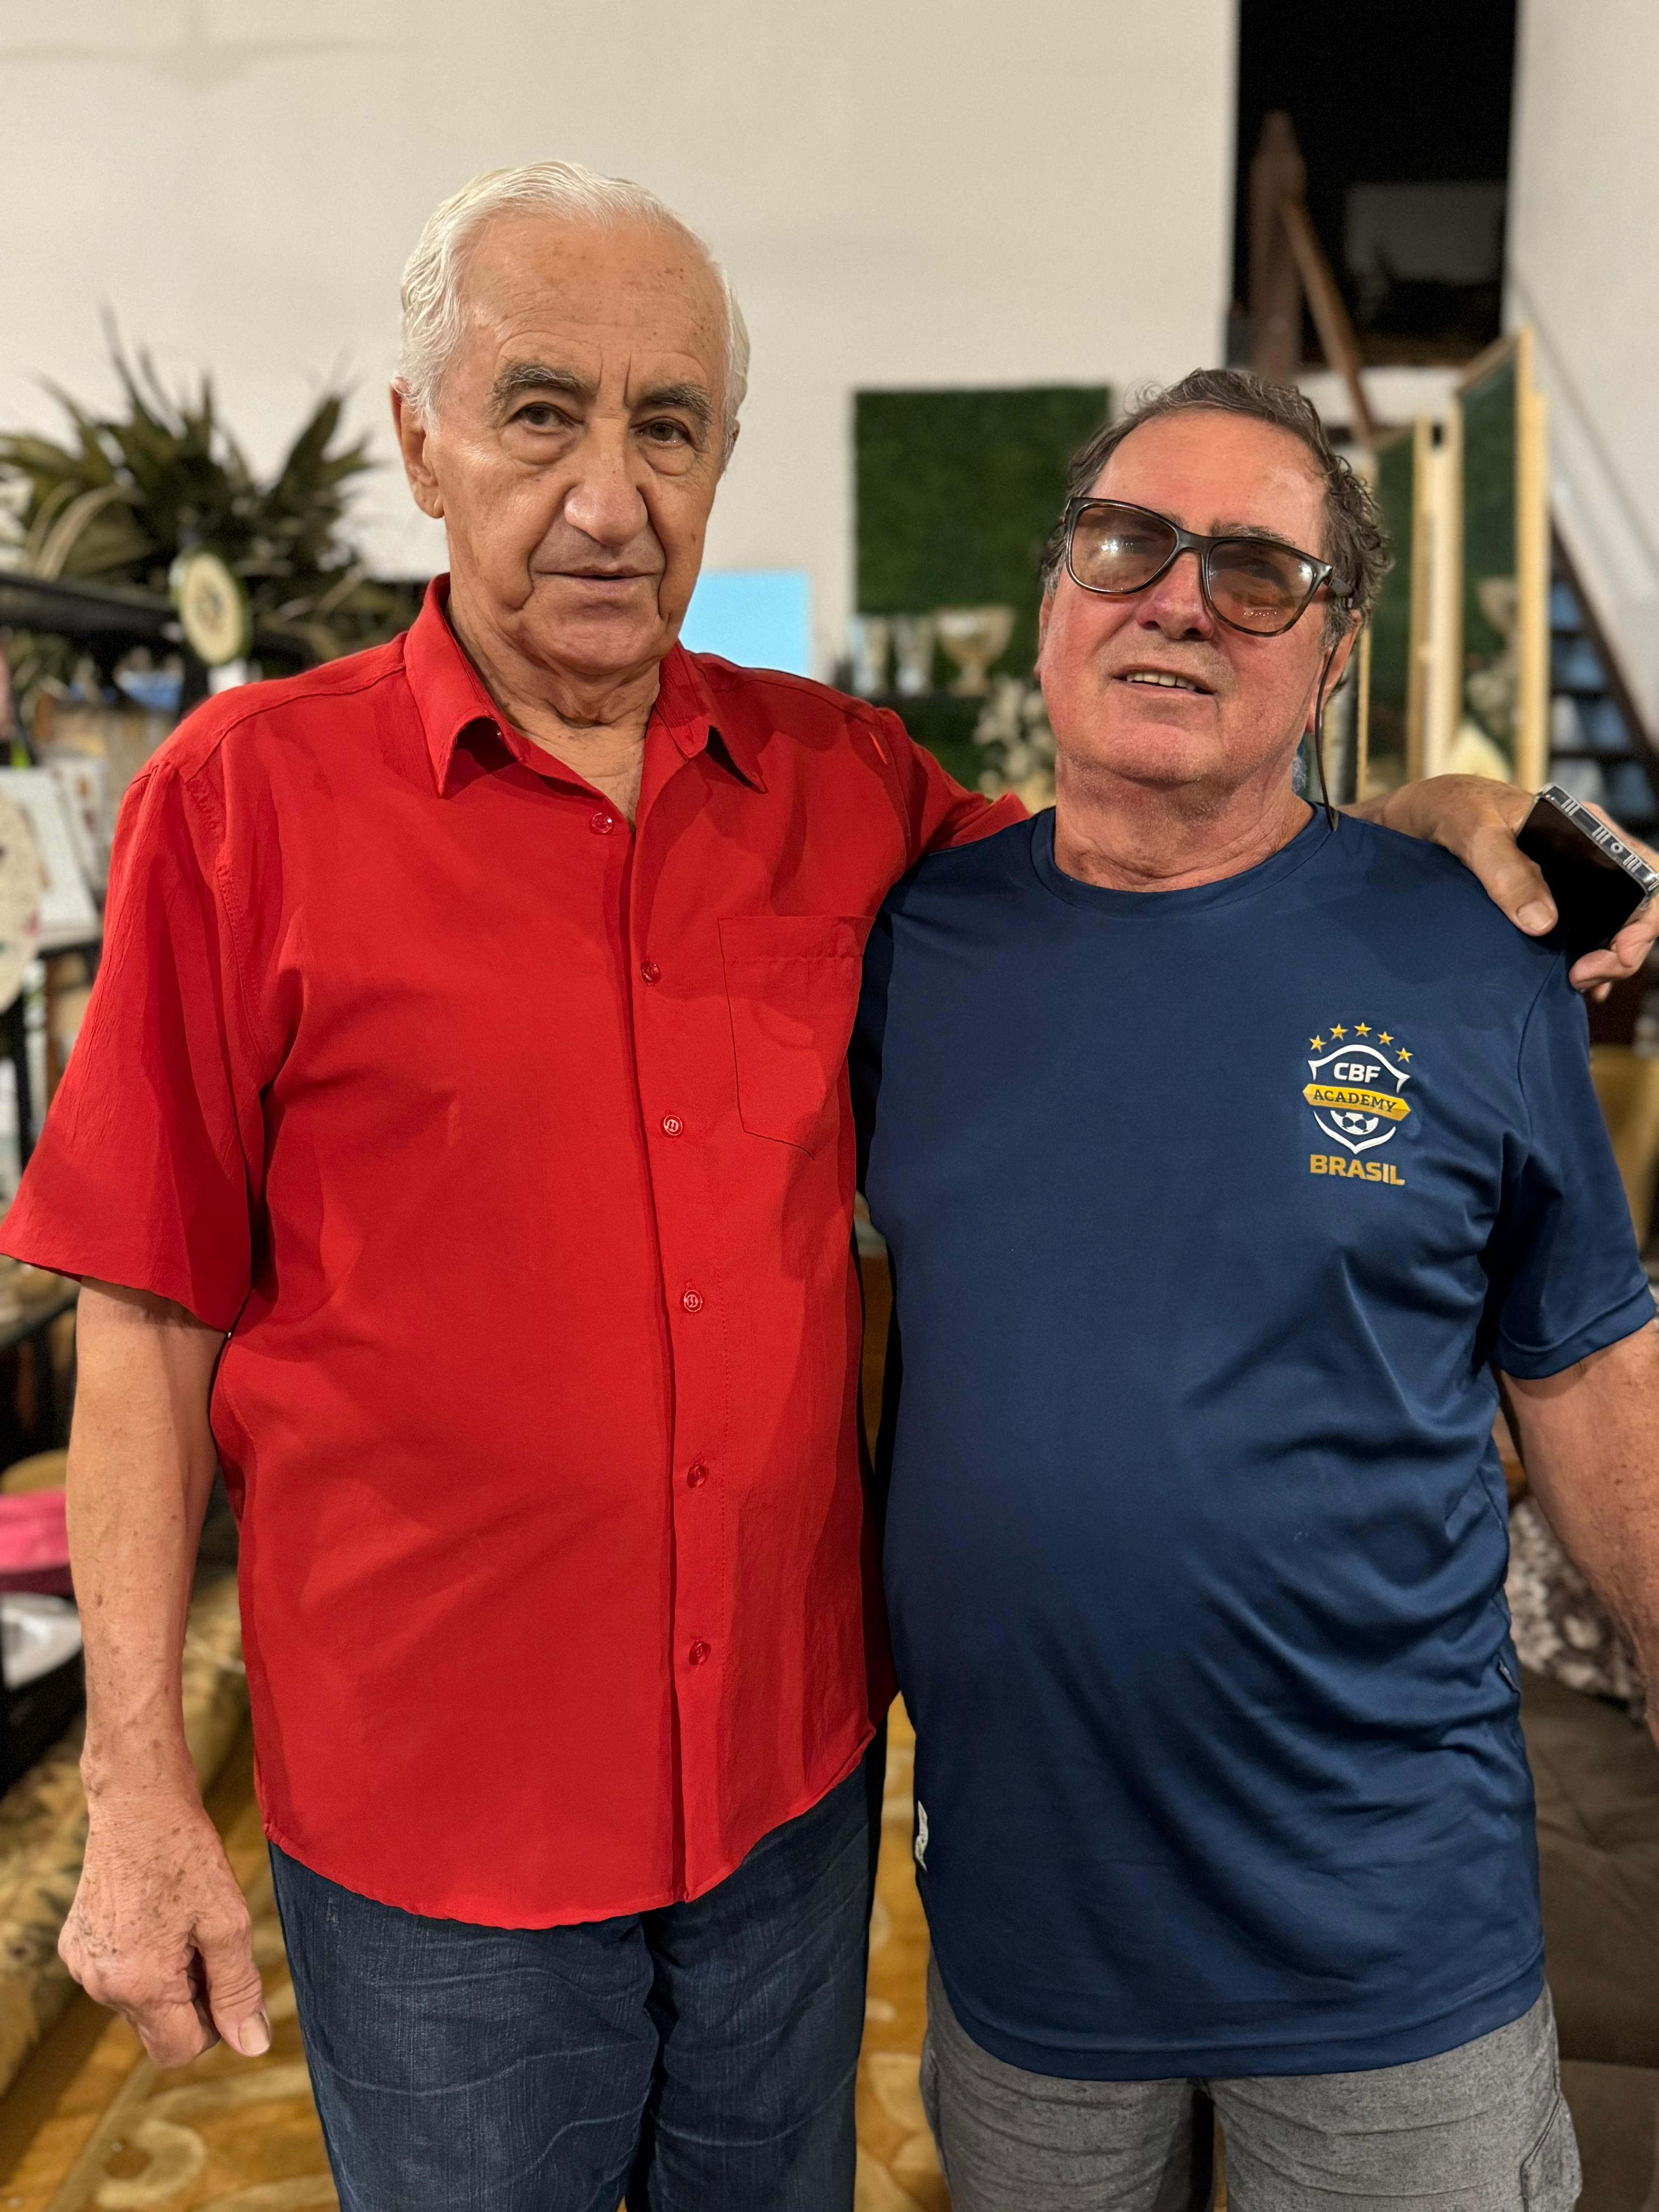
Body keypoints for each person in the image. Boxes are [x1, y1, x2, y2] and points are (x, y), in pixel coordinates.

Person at [1, 160, 1644, 2209]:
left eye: (668, 425)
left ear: (720, 461)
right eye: (540, 411)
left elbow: (1162, 858)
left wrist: (1428, 823)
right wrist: (139, 1786)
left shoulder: (846, 793)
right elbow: (143, 1317)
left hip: (782, 1803)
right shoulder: (242, 805)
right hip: (444, 1831)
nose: (609, 495)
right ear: (421, 442)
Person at [852, 370, 1659, 2212]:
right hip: (1026, 1930)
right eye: (1127, 544)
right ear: (1055, 597)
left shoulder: (1477, 958)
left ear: (1335, 647)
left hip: (1390, 1939)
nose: (1178, 601)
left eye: (1256, 572)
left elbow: (1592, 1370)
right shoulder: (911, 949)